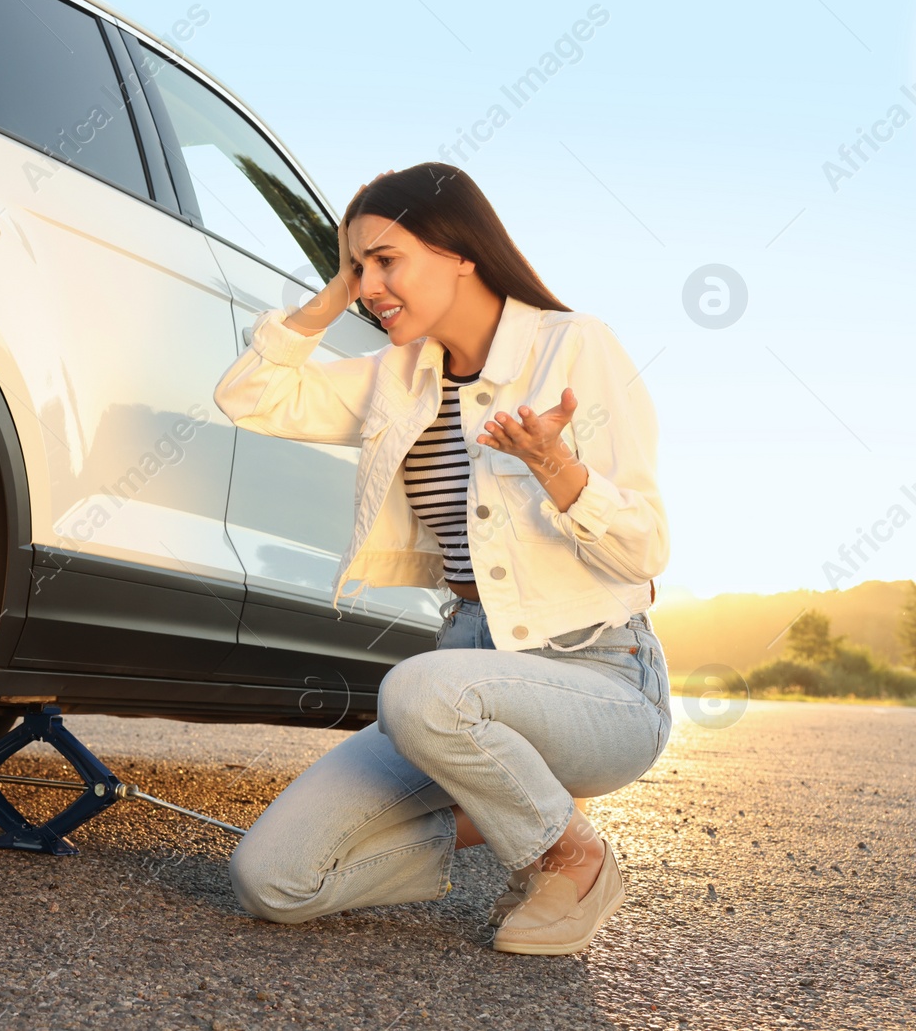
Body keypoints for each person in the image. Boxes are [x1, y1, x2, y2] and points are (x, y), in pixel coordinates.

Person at [213, 162, 672, 955]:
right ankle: (514, 805)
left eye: (387, 261)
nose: (369, 284)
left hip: (599, 676)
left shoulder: (574, 346)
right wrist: (329, 300)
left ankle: (574, 856)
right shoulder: (397, 377)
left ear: (461, 252)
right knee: (274, 877)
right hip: (463, 673)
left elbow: (648, 545)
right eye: (356, 266)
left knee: (415, 689)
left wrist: (557, 470)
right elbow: (248, 396)